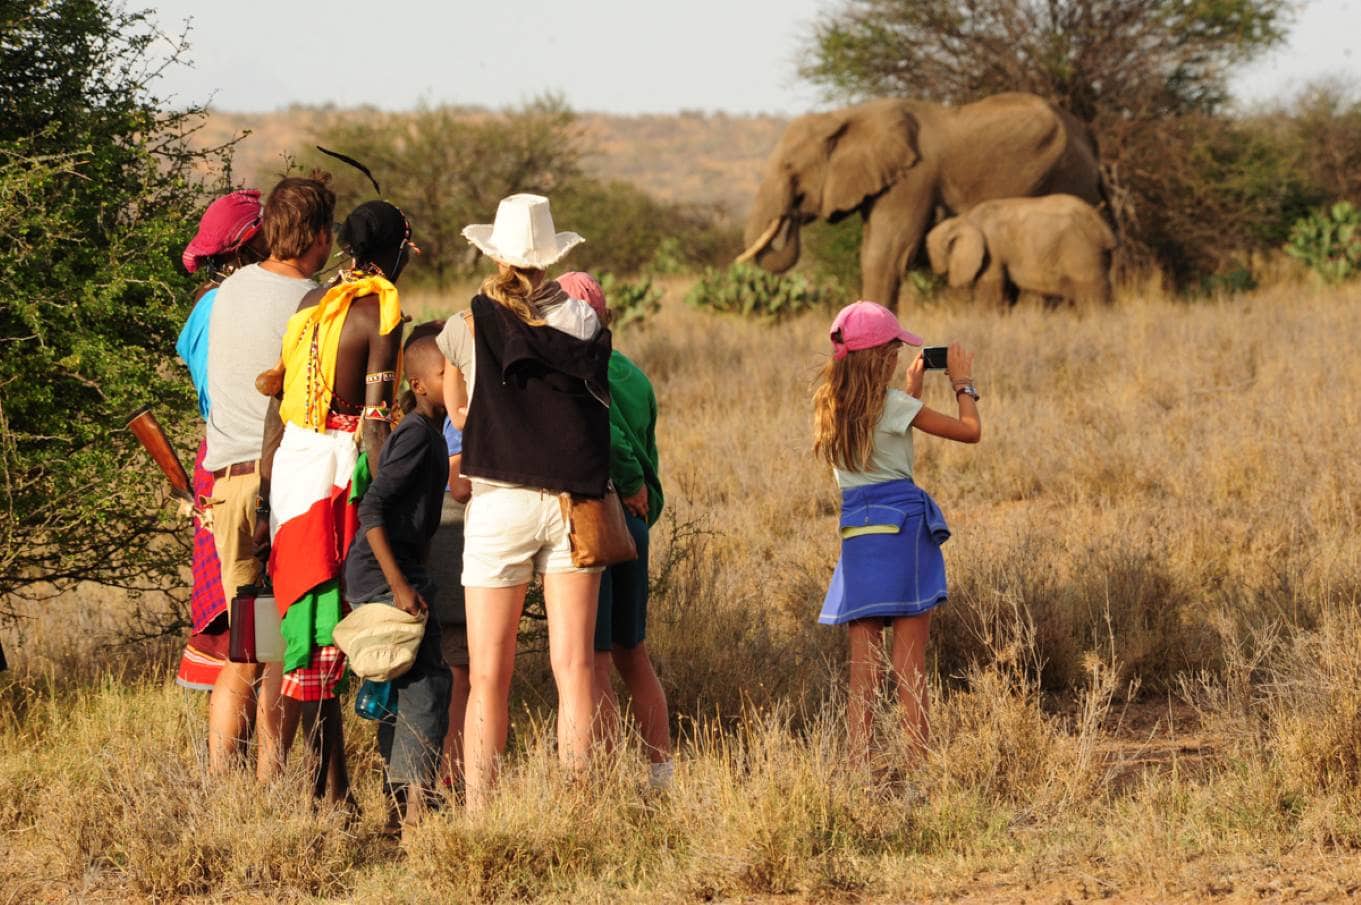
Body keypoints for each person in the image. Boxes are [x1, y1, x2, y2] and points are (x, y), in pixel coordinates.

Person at [436, 193, 608, 811]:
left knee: (488, 677)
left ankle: (483, 812)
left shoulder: (469, 322)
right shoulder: (585, 320)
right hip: (569, 502)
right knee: (576, 669)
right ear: (551, 254)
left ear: (495, 251)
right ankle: (578, 808)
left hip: (500, 502)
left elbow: (457, 409)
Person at [257, 198, 412, 804]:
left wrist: (270, 481)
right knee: (345, 624)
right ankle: (337, 786)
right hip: (338, 476)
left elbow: (282, 397)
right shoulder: (383, 309)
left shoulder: (309, 301)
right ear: (395, 252)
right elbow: (375, 422)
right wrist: (388, 494)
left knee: (313, 626)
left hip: (293, 469)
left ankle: (333, 784)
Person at [201, 175, 334, 778]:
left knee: (243, 648)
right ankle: (271, 784)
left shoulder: (224, 295)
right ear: (320, 236)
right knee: (282, 642)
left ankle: (223, 783)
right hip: (281, 490)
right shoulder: (315, 302)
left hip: (226, 486)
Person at [811, 301, 981, 763]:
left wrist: (914, 386)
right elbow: (970, 431)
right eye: (891, 350)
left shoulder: (830, 406)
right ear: (883, 356)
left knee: (864, 671)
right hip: (903, 534)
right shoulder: (897, 407)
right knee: (910, 666)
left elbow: (882, 428)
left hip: (859, 538)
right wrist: (962, 383)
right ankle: (918, 766)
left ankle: (859, 767)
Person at [558, 272, 673, 790]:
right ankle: (660, 773)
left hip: (592, 518)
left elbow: (600, 437)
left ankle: (597, 781)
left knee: (595, 661)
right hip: (634, 524)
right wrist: (639, 495)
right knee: (634, 652)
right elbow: (646, 446)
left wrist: (624, 479)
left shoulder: (570, 370)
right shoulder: (634, 374)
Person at [343, 332, 453, 833]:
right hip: (386, 576)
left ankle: (398, 808)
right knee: (426, 685)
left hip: (392, 573)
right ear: (421, 385)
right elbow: (373, 508)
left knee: (397, 683)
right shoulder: (415, 434)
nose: (462, 382)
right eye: (452, 374)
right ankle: (415, 811)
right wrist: (403, 587)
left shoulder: (426, 431)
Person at [176, 189, 269, 693]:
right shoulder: (225, 306)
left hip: (221, 457)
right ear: (241, 249)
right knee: (256, 626)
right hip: (244, 458)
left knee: (251, 623)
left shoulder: (210, 303)